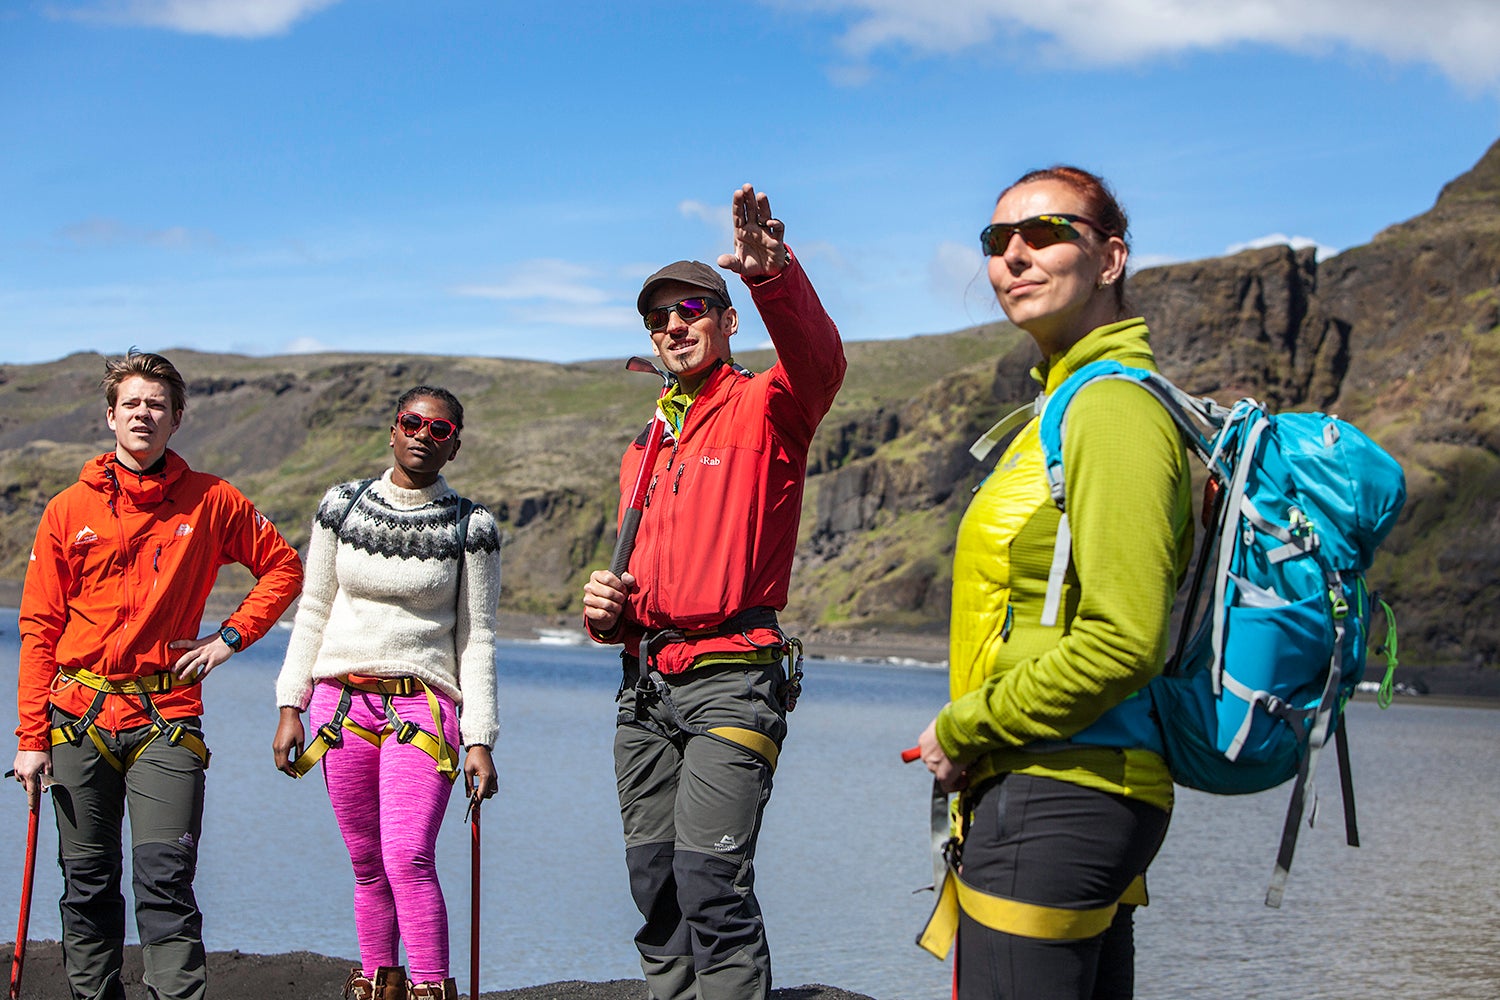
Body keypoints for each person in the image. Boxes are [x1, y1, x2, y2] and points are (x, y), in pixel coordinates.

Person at [914, 167, 1195, 999]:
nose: (1015, 256)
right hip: (1060, 788)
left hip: (1062, 792)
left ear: (1110, 259)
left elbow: (1125, 639)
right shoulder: (1064, 407)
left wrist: (966, 725)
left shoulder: (1111, 411)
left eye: (1046, 234)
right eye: (999, 241)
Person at [581, 183, 845, 1000]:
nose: (674, 326)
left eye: (693, 308)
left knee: (710, 885)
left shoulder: (770, 404)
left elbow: (822, 362)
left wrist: (775, 276)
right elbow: (651, 576)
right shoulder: (647, 442)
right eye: (659, 318)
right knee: (655, 890)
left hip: (734, 680)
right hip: (646, 689)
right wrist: (608, 613)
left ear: (727, 322)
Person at [11, 349, 304, 1000]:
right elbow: (40, 631)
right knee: (85, 882)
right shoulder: (67, 509)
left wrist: (228, 639)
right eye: (132, 404)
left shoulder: (213, 501)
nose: (144, 414)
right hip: (77, 719)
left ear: (177, 419)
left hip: (165, 722)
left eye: (157, 405)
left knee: (164, 880)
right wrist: (30, 738)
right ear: (111, 417)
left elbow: (283, 568)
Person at [272, 386, 500, 1000]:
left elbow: (477, 639)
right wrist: (291, 703)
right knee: (367, 862)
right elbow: (313, 608)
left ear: (454, 446)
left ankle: (429, 988)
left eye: (441, 430)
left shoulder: (471, 526)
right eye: (412, 423)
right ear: (392, 429)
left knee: (408, 857)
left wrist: (479, 739)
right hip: (337, 706)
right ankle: (377, 983)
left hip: (422, 708)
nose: (424, 435)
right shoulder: (340, 506)